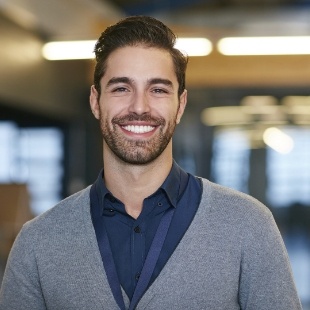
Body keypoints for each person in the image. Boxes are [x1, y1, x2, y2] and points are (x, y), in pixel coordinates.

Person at [0, 16, 302, 310]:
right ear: (95, 101)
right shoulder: (38, 242)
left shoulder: (248, 224)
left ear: (180, 105)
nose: (140, 107)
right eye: (121, 88)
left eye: (158, 89)